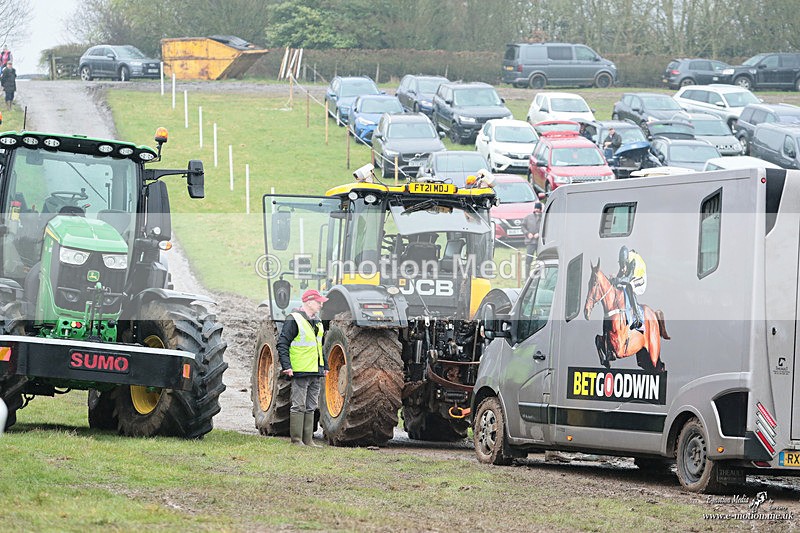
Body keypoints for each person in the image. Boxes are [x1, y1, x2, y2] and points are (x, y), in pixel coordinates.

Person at [277, 288, 330, 446]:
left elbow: (319, 347)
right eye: (318, 301)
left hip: (316, 370)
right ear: (308, 302)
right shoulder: (294, 319)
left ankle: (308, 440)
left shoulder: (318, 322)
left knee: (311, 406)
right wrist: (287, 366)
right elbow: (282, 344)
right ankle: (296, 440)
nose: (321, 304)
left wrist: (325, 366)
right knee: (298, 405)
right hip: (300, 370)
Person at [612, 246, 647, 330]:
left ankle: (638, 316)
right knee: (623, 286)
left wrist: (617, 280)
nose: (622, 268)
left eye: (623, 265)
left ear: (627, 261)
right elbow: (619, 277)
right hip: (633, 277)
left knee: (630, 286)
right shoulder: (624, 261)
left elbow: (627, 279)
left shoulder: (632, 262)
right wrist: (613, 281)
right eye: (621, 265)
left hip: (641, 279)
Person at [522, 202, 543, 275]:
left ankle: (539, 276)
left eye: (538, 208)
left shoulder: (543, 218)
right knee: (528, 260)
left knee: (540, 260)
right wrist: (527, 233)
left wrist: (539, 234)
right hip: (530, 242)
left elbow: (547, 228)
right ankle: (527, 277)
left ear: (541, 209)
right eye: (536, 208)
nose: (537, 210)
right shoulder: (528, 217)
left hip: (540, 243)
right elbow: (523, 226)